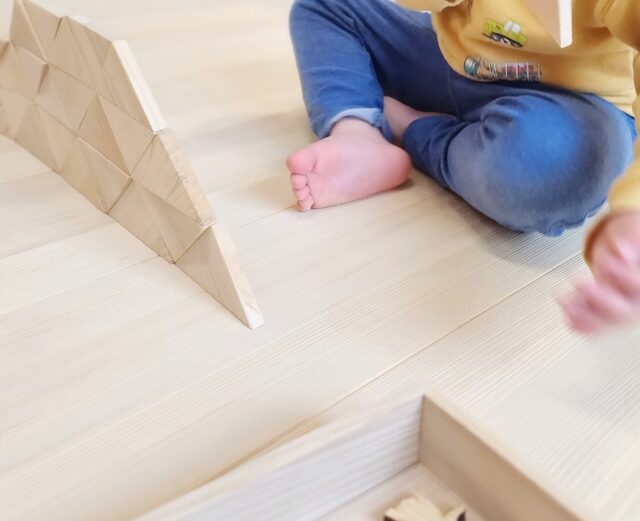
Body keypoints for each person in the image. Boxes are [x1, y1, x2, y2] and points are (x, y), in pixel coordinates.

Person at [286, 0, 640, 334]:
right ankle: (357, 131)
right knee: (325, 6)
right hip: (456, 60)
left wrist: (633, 210)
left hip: (573, 103)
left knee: (556, 163)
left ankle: (412, 127)